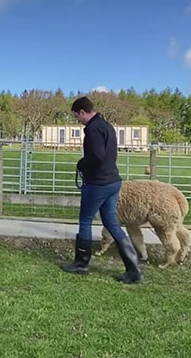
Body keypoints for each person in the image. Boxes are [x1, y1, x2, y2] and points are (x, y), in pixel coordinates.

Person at [61, 96, 143, 284]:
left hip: (98, 183)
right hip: (113, 181)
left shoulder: (93, 129)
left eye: (76, 117)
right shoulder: (106, 126)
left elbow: (97, 155)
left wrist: (82, 163)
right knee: (111, 223)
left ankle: (81, 263)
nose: (78, 120)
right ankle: (134, 269)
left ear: (82, 112)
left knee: (85, 220)